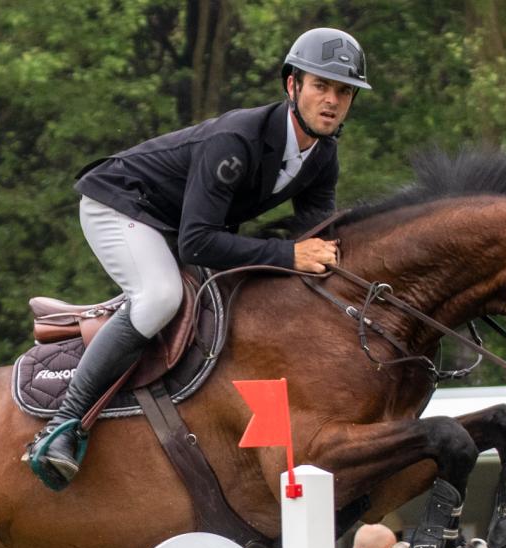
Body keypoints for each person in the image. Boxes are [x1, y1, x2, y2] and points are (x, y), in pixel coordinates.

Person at [25, 27, 369, 488]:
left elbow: (316, 240)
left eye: (344, 91)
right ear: (293, 85)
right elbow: (199, 244)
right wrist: (288, 254)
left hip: (176, 223)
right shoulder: (237, 141)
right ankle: (62, 426)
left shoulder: (323, 157)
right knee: (160, 297)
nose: (331, 100)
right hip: (121, 203)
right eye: (321, 86)